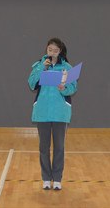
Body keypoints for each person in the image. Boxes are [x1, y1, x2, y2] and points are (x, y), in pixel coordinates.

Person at [28, 37, 78, 191]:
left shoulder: (67, 67)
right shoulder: (39, 64)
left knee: (59, 147)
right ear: (46, 49)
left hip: (60, 112)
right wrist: (41, 69)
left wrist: (64, 89)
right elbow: (31, 84)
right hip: (42, 111)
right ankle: (45, 178)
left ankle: (57, 179)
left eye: (55, 50)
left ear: (60, 51)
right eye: (50, 50)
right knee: (44, 147)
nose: (52, 53)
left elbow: (73, 88)